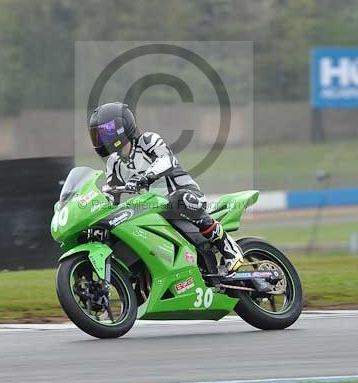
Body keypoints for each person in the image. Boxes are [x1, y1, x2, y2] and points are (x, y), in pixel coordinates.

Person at [88, 102, 244, 273]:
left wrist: (146, 177)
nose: (101, 138)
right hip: (153, 208)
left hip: (186, 197)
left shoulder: (147, 141)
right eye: (97, 134)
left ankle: (228, 247)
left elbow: (165, 160)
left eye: (105, 131)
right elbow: (110, 195)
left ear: (121, 127)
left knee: (179, 199)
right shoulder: (114, 163)